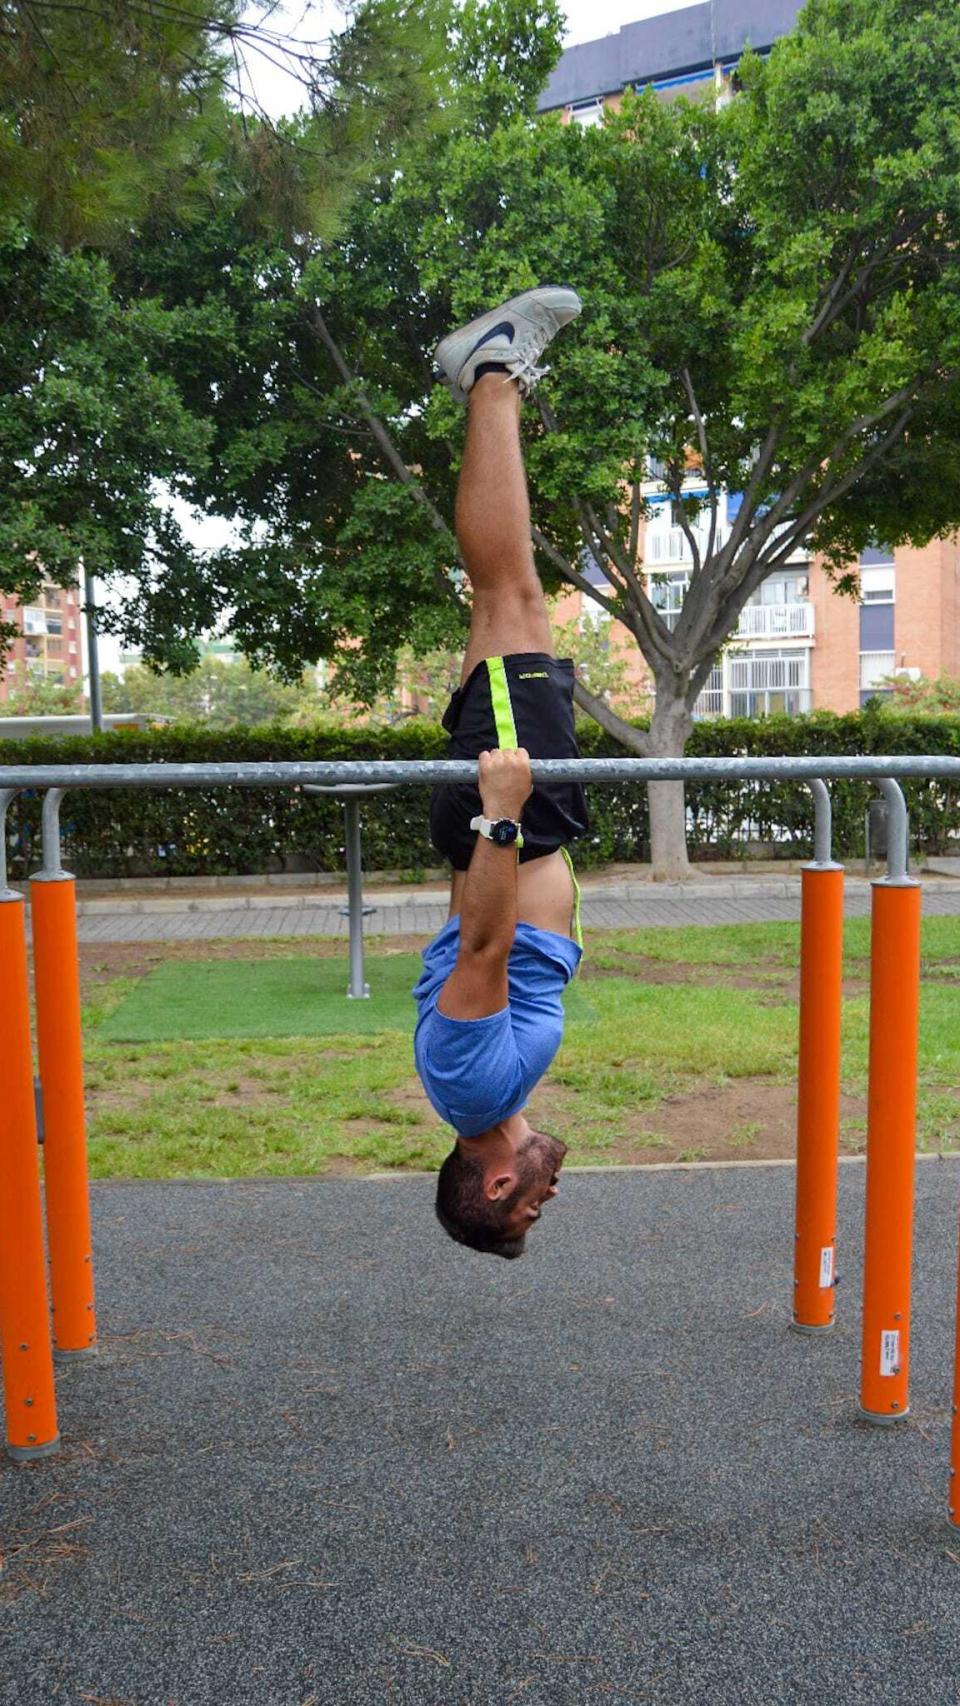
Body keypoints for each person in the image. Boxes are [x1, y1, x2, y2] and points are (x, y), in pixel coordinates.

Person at [412, 286, 589, 1259]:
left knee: (513, 593)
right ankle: (487, 375)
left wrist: (503, 815)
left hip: (513, 823)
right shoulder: (479, 1090)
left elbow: (482, 944)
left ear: (493, 1181)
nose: (546, 1195)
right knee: (504, 603)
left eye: (526, 1207)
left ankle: (491, 366)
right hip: (517, 824)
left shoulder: (476, 1090)